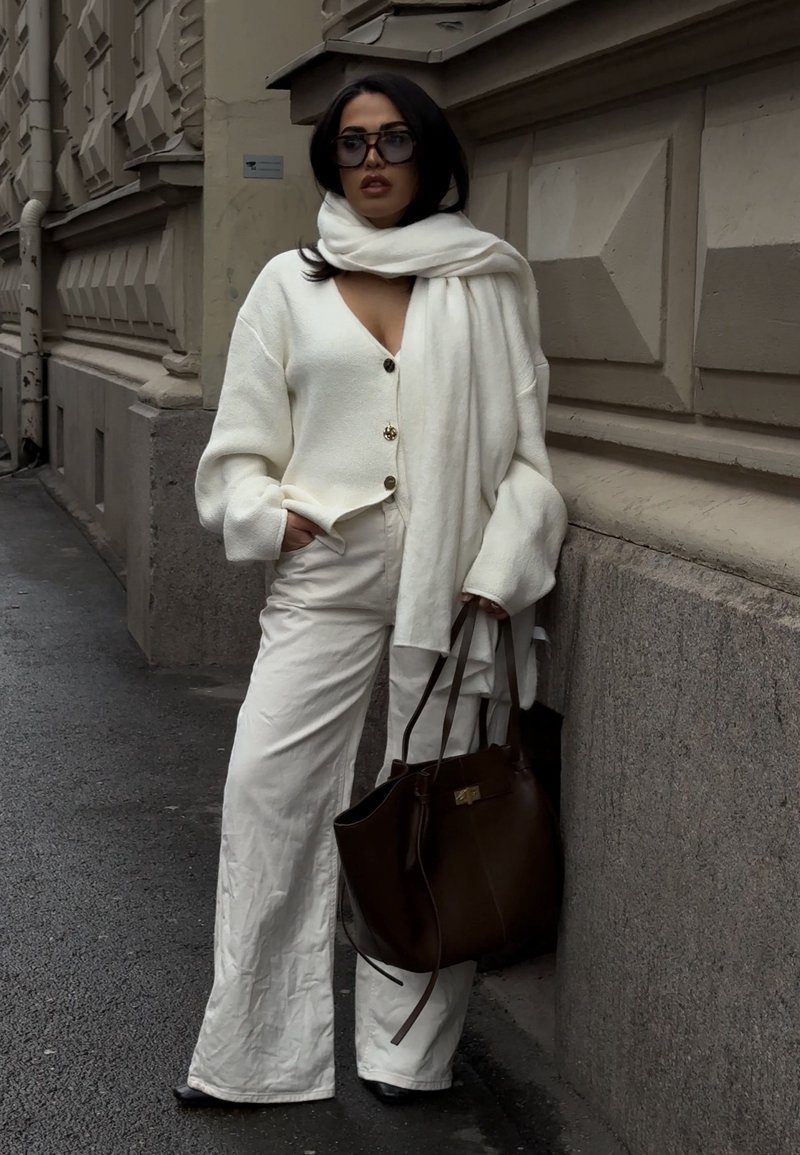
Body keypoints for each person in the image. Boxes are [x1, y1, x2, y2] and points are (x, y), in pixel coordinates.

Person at [174, 72, 567, 1109]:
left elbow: (528, 460)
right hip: (324, 575)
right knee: (268, 792)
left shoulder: (484, 280)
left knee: (429, 811)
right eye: (351, 144)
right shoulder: (285, 286)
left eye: (393, 139)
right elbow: (237, 451)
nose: (373, 160)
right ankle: (254, 1053)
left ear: (427, 153)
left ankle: (407, 1056)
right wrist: (268, 516)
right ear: (331, 161)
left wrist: (502, 569)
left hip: (455, 587)